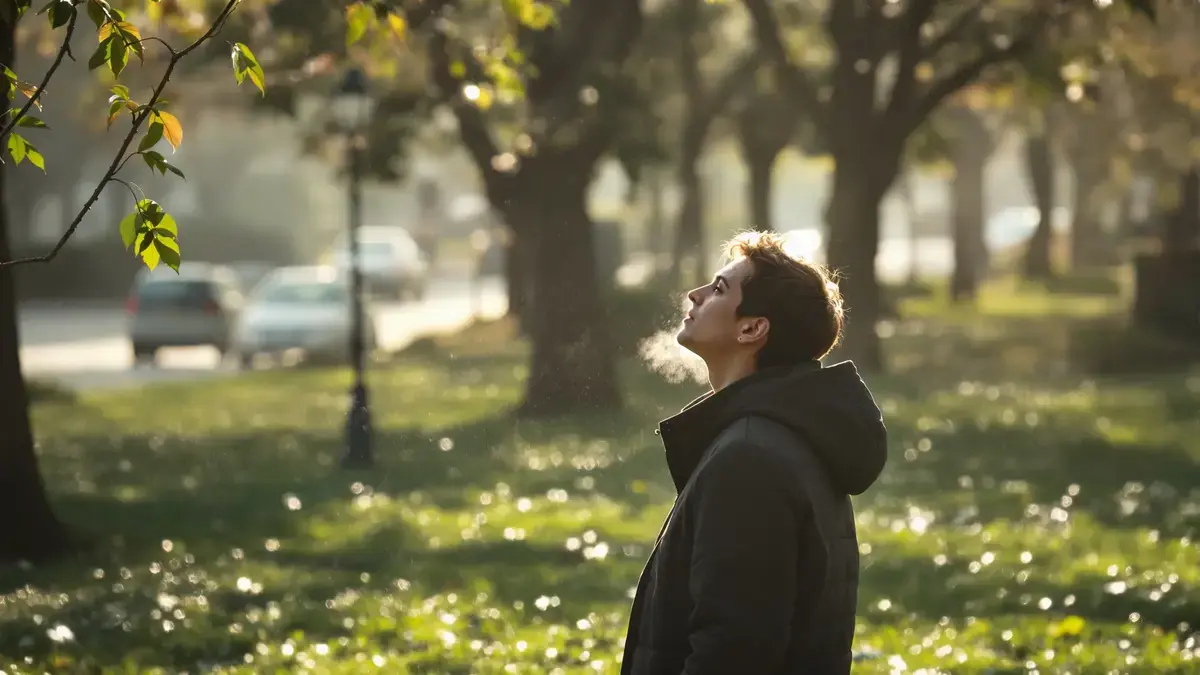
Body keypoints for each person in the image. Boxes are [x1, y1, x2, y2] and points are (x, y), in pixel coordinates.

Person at [620, 230, 888, 675]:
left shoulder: (748, 461)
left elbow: (734, 648)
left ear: (751, 328)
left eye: (719, 288)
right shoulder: (776, 438)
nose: (695, 294)